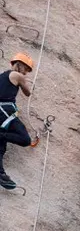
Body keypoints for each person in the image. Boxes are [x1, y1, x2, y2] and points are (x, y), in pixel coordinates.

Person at [0, 53, 39, 190]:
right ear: (21, 65)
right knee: (24, 139)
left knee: (1, 148)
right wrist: (28, 84)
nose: (26, 73)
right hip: (5, 112)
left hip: (1, 114)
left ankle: (1, 175)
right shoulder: (18, 76)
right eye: (27, 69)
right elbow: (28, 93)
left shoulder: (2, 75)